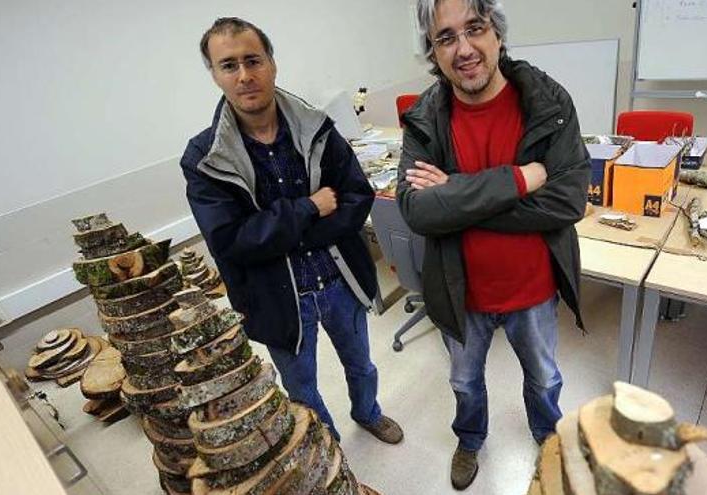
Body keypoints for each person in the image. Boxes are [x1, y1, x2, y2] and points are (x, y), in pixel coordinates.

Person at [180, 17, 403, 445]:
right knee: (301, 389)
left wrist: (286, 234)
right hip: (277, 297)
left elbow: (356, 196)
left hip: (340, 280)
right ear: (214, 74)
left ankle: (368, 412)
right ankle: (324, 444)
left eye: (253, 60)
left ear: (272, 64)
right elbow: (231, 241)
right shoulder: (204, 157)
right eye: (229, 65)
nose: (244, 75)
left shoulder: (315, 127)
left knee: (362, 365)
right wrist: (308, 209)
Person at [398, 0, 590, 489]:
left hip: (533, 288)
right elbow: (418, 211)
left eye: (475, 29)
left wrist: (457, 196)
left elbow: (567, 202)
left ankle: (548, 438)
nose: (463, 48)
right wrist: (520, 179)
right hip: (459, 291)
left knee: (545, 378)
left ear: (497, 35)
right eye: (446, 37)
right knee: (463, 382)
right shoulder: (424, 116)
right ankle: (469, 439)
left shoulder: (547, 101)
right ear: (433, 51)